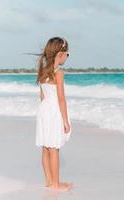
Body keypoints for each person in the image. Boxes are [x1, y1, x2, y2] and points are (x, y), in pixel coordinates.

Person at [35, 37, 73, 191]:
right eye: (67, 54)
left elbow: (42, 96)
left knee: (45, 147)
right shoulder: (59, 73)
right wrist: (65, 121)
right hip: (54, 110)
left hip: (43, 110)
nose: (67, 57)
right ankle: (57, 185)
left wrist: (44, 110)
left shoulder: (43, 71)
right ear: (60, 54)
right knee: (54, 148)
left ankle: (49, 181)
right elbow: (61, 99)